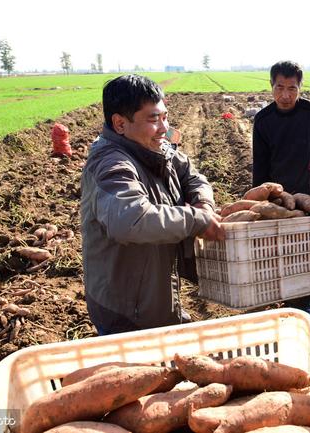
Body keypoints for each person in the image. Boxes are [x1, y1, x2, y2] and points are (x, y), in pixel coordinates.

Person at [80, 74, 225, 335]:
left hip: (154, 294)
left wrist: (203, 202)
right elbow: (131, 219)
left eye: (164, 117)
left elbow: (192, 176)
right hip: (127, 313)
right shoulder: (111, 165)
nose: (163, 128)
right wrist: (196, 219)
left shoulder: (155, 148)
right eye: (153, 119)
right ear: (120, 123)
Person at [252, 61, 310, 315]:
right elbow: (260, 166)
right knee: (278, 255)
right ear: (271, 86)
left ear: (300, 87)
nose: (285, 95)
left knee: (307, 256)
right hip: (280, 201)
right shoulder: (263, 120)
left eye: (292, 88)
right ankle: (278, 304)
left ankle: (303, 308)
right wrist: (261, 201)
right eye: (279, 87)